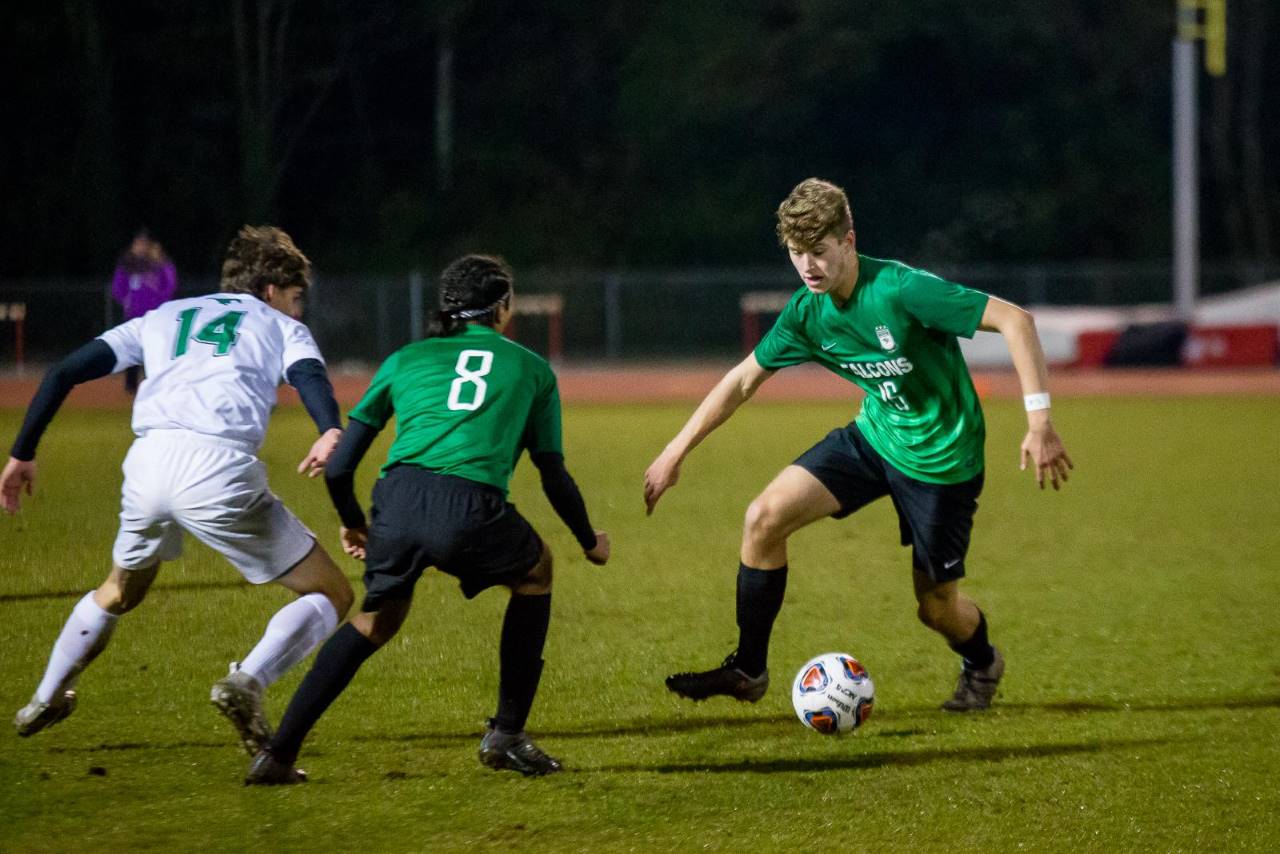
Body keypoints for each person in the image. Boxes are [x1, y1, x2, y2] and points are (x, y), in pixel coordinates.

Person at [644, 178, 1073, 712]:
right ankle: (748, 670)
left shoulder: (901, 289)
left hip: (942, 462)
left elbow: (1016, 320)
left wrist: (1039, 422)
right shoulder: (807, 312)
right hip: (874, 438)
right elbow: (741, 381)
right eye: (797, 254)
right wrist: (675, 450)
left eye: (819, 252)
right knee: (763, 518)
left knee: (936, 609)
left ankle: (983, 661)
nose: (808, 267)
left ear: (849, 240)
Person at [244, 254, 610, 785]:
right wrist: (588, 539)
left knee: (375, 620)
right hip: (469, 505)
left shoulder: (405, 359)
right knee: (537, 571)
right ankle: (507, 734)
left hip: (396, 501)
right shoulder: (532, 368)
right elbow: (552, 472)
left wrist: (353, 523)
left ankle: (277, 754)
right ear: (503, 306)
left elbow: (340, 464)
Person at [4, 225, 354, 758]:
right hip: (218, 467)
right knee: (332, 592)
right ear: (269, 290)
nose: (297, 309)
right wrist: (329, 426)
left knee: (121, 590)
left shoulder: (163, 316)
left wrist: (22, 453)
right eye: (295, 296)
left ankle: (43, 698)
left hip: (147, 464)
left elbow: (63, 372)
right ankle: (248, 682)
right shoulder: (279, 325)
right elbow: (309, 377)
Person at [111, 230, 179, 394]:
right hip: (133, 314)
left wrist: (162, 303)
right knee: (131, 349)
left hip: (155, 315)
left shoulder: (159, 264)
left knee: (154, 348)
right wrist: (125, 300)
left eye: (143, 244)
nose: (140, 247)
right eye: (138, 244)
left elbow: (170, 285)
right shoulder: (128, 264)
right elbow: (117, 287)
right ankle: (131, 385)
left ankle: (153, 381)